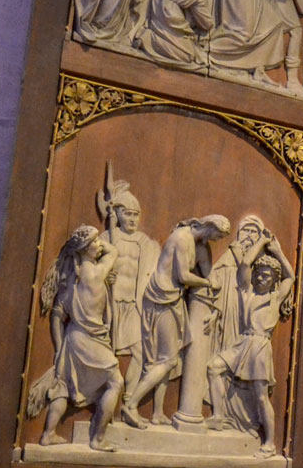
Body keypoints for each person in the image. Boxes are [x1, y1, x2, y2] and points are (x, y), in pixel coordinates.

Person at [123, 216, 232, 427]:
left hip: (174, 300)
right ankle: (131, 405)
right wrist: (208, 283)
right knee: (168, 361)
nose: (218, 240)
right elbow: (183, 276)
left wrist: (214, 285)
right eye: (218, 235)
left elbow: (209, 272)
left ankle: (157, 413)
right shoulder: (182, 238)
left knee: (167, 358)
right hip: (161, 300)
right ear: (210, 227)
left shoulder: (201, 246)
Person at [35, 227, 125, 452]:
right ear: (85, 249)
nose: (99, 245)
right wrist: (100, 244)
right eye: (95, 242)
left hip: (72, 337)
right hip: (92, 340)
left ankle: (48, 434)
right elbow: (113, 251)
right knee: (116, 382)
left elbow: (57, 314)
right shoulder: (96, 273)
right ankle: (98, 439)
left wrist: (59, 347)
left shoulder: (71, 278)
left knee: (63, 386)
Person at [207, 251, 295, 456]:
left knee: (262, 397)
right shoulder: (248, 293)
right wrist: (261, 243)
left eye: (267, 276)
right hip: (243, 342)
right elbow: (246, 263)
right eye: (260, 274)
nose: (262, 278)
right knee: (213, 367)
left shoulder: (275, 298)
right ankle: (218, 416)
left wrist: (277, 251)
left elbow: (290, 276)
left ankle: (269, 443)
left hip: (259, 347)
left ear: (274, 279)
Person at [95, 167, 159, 403]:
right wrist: (104, 277)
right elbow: (89, 270)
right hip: (109, 305)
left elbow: (152, 273)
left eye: (136, 214)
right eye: (128, 214)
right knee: (106, 354)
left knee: (140, 353)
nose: (132, 219)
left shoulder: (145, 242)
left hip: (133, 305)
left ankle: (129, 399)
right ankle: (103, 398)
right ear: (117, 214)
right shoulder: (106, 239)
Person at [133, 0, 216, 70]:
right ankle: (148, 38)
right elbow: (205, 22)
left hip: (158, 12)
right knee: (187, 55)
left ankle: (150, 38)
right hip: (172, 20)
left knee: (191, 49)